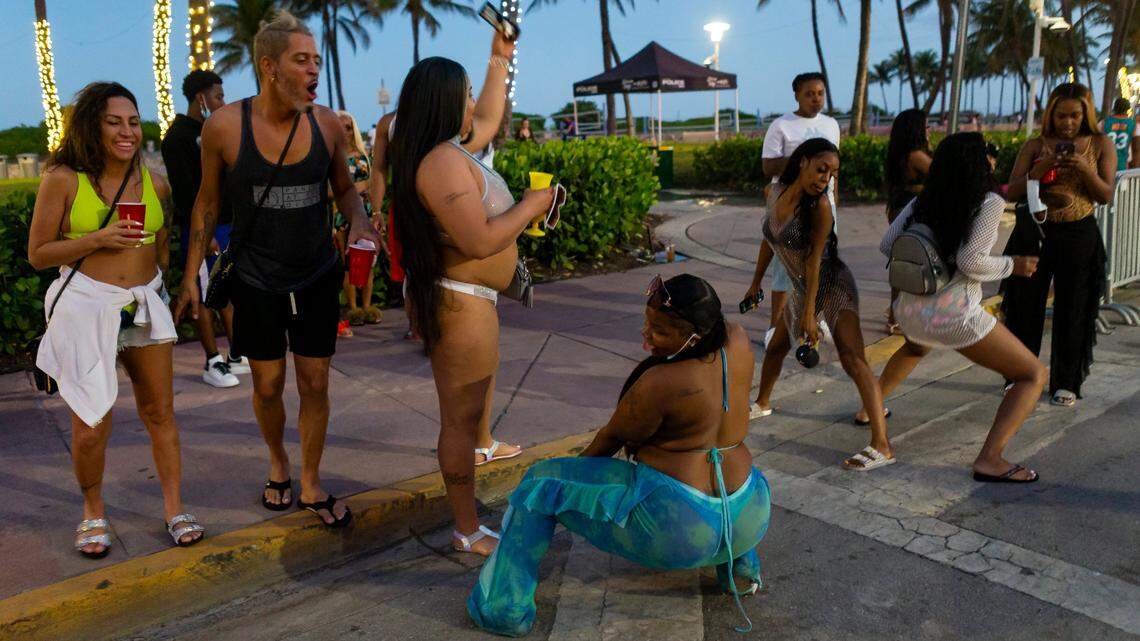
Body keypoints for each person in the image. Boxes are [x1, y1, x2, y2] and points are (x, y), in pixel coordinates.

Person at [467, 274, 771, 637]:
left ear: (694, 336)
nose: (646, 336)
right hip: (750, 515)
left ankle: (503, 610)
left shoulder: (661, 382)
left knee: (539, 484)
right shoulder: (735, 339)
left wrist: (574, 480)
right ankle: (741, 573)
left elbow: (608, 442)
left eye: (659, 331)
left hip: (681, 532)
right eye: (647, 323)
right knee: (731, 474)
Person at [174, 12, 379, 527]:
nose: (314, 71)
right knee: (266, 387)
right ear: (270, 66)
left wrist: (359, 223)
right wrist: (188, 277)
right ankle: (278, 464)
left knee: (315, 383)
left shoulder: (326, 123)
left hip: (315, 275)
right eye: (301, 61)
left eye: (316, 60)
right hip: (255, 280)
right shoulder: (224, 127)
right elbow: (204, 206)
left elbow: (345, 191)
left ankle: (310, 481)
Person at [390, 42, 555, 556]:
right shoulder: (438, 164)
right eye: (463, 97)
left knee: (469, 416)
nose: (470, 107)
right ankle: (465, 527)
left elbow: (489, 113)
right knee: (459, 423)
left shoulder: (450, 150)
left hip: (475, 300)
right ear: (443, 103)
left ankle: (469, 516)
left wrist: (498, 59)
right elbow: (479, 241)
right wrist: (531, 205)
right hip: (460, 302)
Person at [28, 82, 206, 556]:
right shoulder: (64, 178)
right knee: (91, 423)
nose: (127, 131)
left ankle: (174, 507)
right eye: (114, 122)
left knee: (161, 414)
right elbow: (39, 254)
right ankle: (92, 512)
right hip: (87, 304)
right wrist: (97, 239)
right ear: (92, 125)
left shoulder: (153, 179)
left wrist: (164, 281)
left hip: (144, 304)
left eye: (132, 121)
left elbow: (163, 235)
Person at [871, 132, 1047, 482]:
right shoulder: (988, 201)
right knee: (1033, 375)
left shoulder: (923, 200)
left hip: (911, 310)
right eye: (989, 153)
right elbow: (971, 261)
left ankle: (868, 408)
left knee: (916, 347)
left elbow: (887, 243)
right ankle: (990, 458)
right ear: (980, 162)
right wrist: (1015, 265)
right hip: (954, 315)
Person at [745, 139, 893, 470]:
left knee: (853, 358)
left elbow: (814, 263)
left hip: (831, 285)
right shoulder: (775, 192)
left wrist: (810, 314)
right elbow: (769, 240)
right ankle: (762, 403)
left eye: (832, 174)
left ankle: (882, 445)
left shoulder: (820, 208)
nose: (825, 179)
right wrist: (755, 283)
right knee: (776, 347)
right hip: (801, 286)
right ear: (803, 162)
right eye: (821, 169)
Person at [1004, 82, 1115, 408]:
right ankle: (1019, 375)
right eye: (1061, 116)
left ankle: (1065, 382)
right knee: (1025, 307)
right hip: (1035, 233)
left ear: (1086, 114)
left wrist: (1084, 169)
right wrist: (1040, 170)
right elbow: (1011, 191)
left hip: (1079, 233)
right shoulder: (1035, 145)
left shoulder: (1100, 144)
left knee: (1074, 307)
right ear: (1050, 114)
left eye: (1075, 116)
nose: (1068, 123)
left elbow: (1105, 194)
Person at [161, 70, 246, 387]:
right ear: (202, 98)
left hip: (226, 226)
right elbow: (185, 193)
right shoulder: (178, 138)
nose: (223, 103)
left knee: (226, 292)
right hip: (200, 232)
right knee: (202, 295)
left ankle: (236, 355)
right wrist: (204, 234)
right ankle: (212, 360)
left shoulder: (214, 132)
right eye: (219, 97)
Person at [758, 72, 841, 371]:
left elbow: (834, 168)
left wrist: (835, 203)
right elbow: (768, 166)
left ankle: (817, 318)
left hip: (823, 205)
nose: (816, 98)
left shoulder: (831, 125)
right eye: (809, 93)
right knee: (784, 268)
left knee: (820, 264)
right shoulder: (781, 126)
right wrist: (802, 160)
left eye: (820, 93)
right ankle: (773, 326)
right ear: (796, 95)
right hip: (790, 206)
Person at [883, 108, 933, 334]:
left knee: (902, 261)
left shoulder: (900, 153)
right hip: (910, 210)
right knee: (911, 263)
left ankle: (895, 314)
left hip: (899, 208)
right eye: (926, 126)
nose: (929, 130)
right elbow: (941, 175)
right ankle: (899, 316)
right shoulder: (916, 155)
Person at [335, 110, 381, 327]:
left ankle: (367, 307)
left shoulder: (363, 157)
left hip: (365, 213)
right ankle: (353, 309)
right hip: (341, 217)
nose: (345, 131)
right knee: (348, 264)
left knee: (368, 262)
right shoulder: (335, 158)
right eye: (340, 127)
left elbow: (371, 184)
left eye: (347, 126)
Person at [1101, 97, 1139, 172]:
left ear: (1115, 108)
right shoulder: (1133, 125)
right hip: (1122, 166)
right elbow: (1136, 150)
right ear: (1127, 109)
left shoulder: (1103, 123)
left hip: (1104, 166)